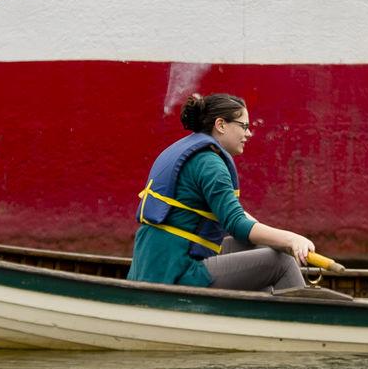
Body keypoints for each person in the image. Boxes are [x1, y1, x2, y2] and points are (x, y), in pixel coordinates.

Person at [130, 93, 316, 292]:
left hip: (155, 263)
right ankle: (305, 320)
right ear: (220, 125)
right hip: (176, 269)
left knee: (265, 248)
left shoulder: (191, 151)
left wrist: (282, 240)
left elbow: (233, 214)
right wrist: (292, 240)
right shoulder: (210, 164)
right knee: (282, 262)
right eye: (243, 126)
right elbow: (236, 223)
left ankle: (260, 316)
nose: (249, 133)